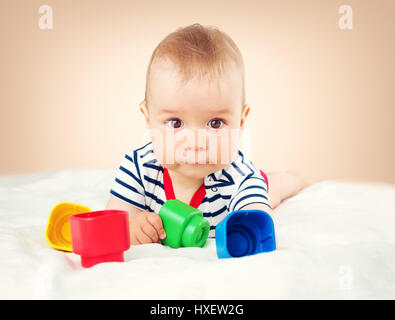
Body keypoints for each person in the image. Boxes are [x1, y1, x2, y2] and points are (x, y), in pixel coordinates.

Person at [106, 23, 318, 245]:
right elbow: (112, 221)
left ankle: (296, 178)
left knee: (273, 186)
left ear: (240, 121)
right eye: (175, 122)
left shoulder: (241, 177)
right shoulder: (139, 167)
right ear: (148, 119)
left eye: (215, 123)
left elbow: (257, 221)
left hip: (250, 188)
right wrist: (134, 224)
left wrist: (249, 224)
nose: (196, 143)